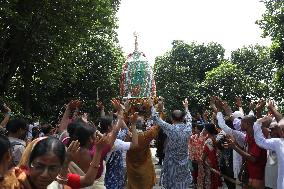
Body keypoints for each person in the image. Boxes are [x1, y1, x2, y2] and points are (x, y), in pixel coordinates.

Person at [212, 97, 267, 189]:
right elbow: (233, 117)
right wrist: (224, 108)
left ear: (248, 124)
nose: (238, 124)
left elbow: (253, 159)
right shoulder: (246, 135)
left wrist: (234, 147)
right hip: (248, 174)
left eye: (241, 122)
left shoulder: (257, 138)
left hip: (257, 177)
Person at [151, 98, 192, 189]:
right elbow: (189, 119)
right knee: (182, 184)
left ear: (172, 119)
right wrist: (186, 107)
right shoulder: (188, 128)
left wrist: (151, 105)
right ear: (183, 118)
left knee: (172, 184)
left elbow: (156, 118)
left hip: (171, 164)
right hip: (184, 163)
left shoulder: (170, 128)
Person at [253, 115, 284, 189]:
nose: (270, 131)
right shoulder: (277, 143)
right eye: (270, 129)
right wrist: (258, 122)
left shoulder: (278, 143)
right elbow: (260, 140)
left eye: (274, 128)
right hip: (273, 183)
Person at [201, 123, 222, 189]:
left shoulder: (209, 141)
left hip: (209, 166)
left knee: (210, 184)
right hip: (215, 164)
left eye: (204, 129)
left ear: (207, 130)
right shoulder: (216, 138)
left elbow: (203, 156)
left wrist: (201, 160)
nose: (203, 130)